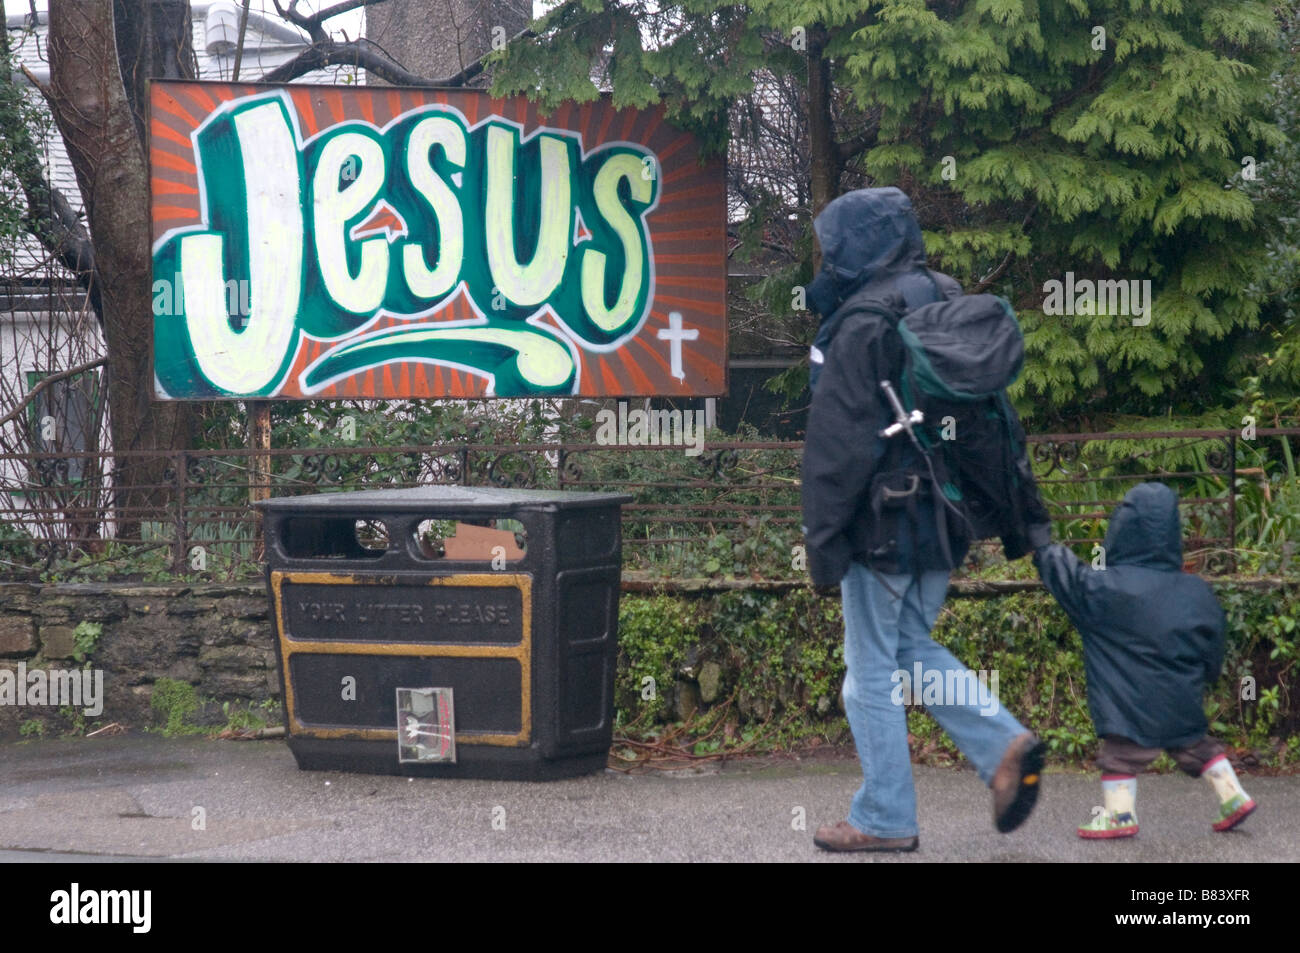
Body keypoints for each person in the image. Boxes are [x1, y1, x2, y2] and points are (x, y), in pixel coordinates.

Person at [801, 187, 1052, 852]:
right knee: (908, 650)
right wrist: (1023, 520)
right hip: (946, 521)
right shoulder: (943, 300)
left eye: (835, 244)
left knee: (869, 677)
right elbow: (997, 426)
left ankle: (885, 816)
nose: (827, 256)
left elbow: (836, 446)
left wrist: (822, 541)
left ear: (858, 246)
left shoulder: (861, 322)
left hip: (880, 529)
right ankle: (1004, 743)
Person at [1032, 481, 1257, 838]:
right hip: (1182, 701)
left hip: (1129, 706)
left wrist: (1039, 543)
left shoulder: (1104, 588)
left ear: (1121, 529)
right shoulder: (1195, 590)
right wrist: (1209, 676)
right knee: (1197, 746)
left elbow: (1067, 578)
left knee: (1120, 755)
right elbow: (1214, 639)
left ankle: (1120, 817)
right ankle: (1235, 796)